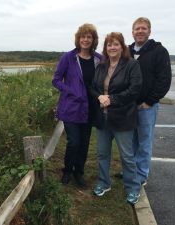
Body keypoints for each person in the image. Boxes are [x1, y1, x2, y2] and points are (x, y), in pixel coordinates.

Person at [89, 32, 142, 204]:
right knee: (102, 154)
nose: (112, 47)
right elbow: (93, 87)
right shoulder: (101, 66)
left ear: (122, 47)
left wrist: (111, 99)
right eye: (109, 45)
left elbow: (134, 90)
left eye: (116, 44)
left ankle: (133, 187)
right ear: (105, 48)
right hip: (102, 118)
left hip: (123, 118)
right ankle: (104, 183)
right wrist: (99, 97)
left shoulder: (131, 65)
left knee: (127, 156)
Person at [52, 23, 102, 187]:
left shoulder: (99, 59)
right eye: (83, 36)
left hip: (90, 108)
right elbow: (56, 80)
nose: (86, 40)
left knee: (85, 142)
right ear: (78, 39)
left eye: (89, 37)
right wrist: (71, 90)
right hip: (71, 106)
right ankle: (67, 170)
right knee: (74, 142)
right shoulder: (68, 57)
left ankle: (78, 172)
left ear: (93, 40)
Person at [129, 17, 172, 186]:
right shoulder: (127, 51)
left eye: (143, 28)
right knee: (130, 141)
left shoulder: (159, 51)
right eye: (137, 28)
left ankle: (141, 175)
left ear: (149, 31)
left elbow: (164, 80)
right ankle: (130, 170)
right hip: (129, 106)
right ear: (132, 32)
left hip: (147, 107)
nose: (140, 31)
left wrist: (149, 101)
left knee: (144, 142)